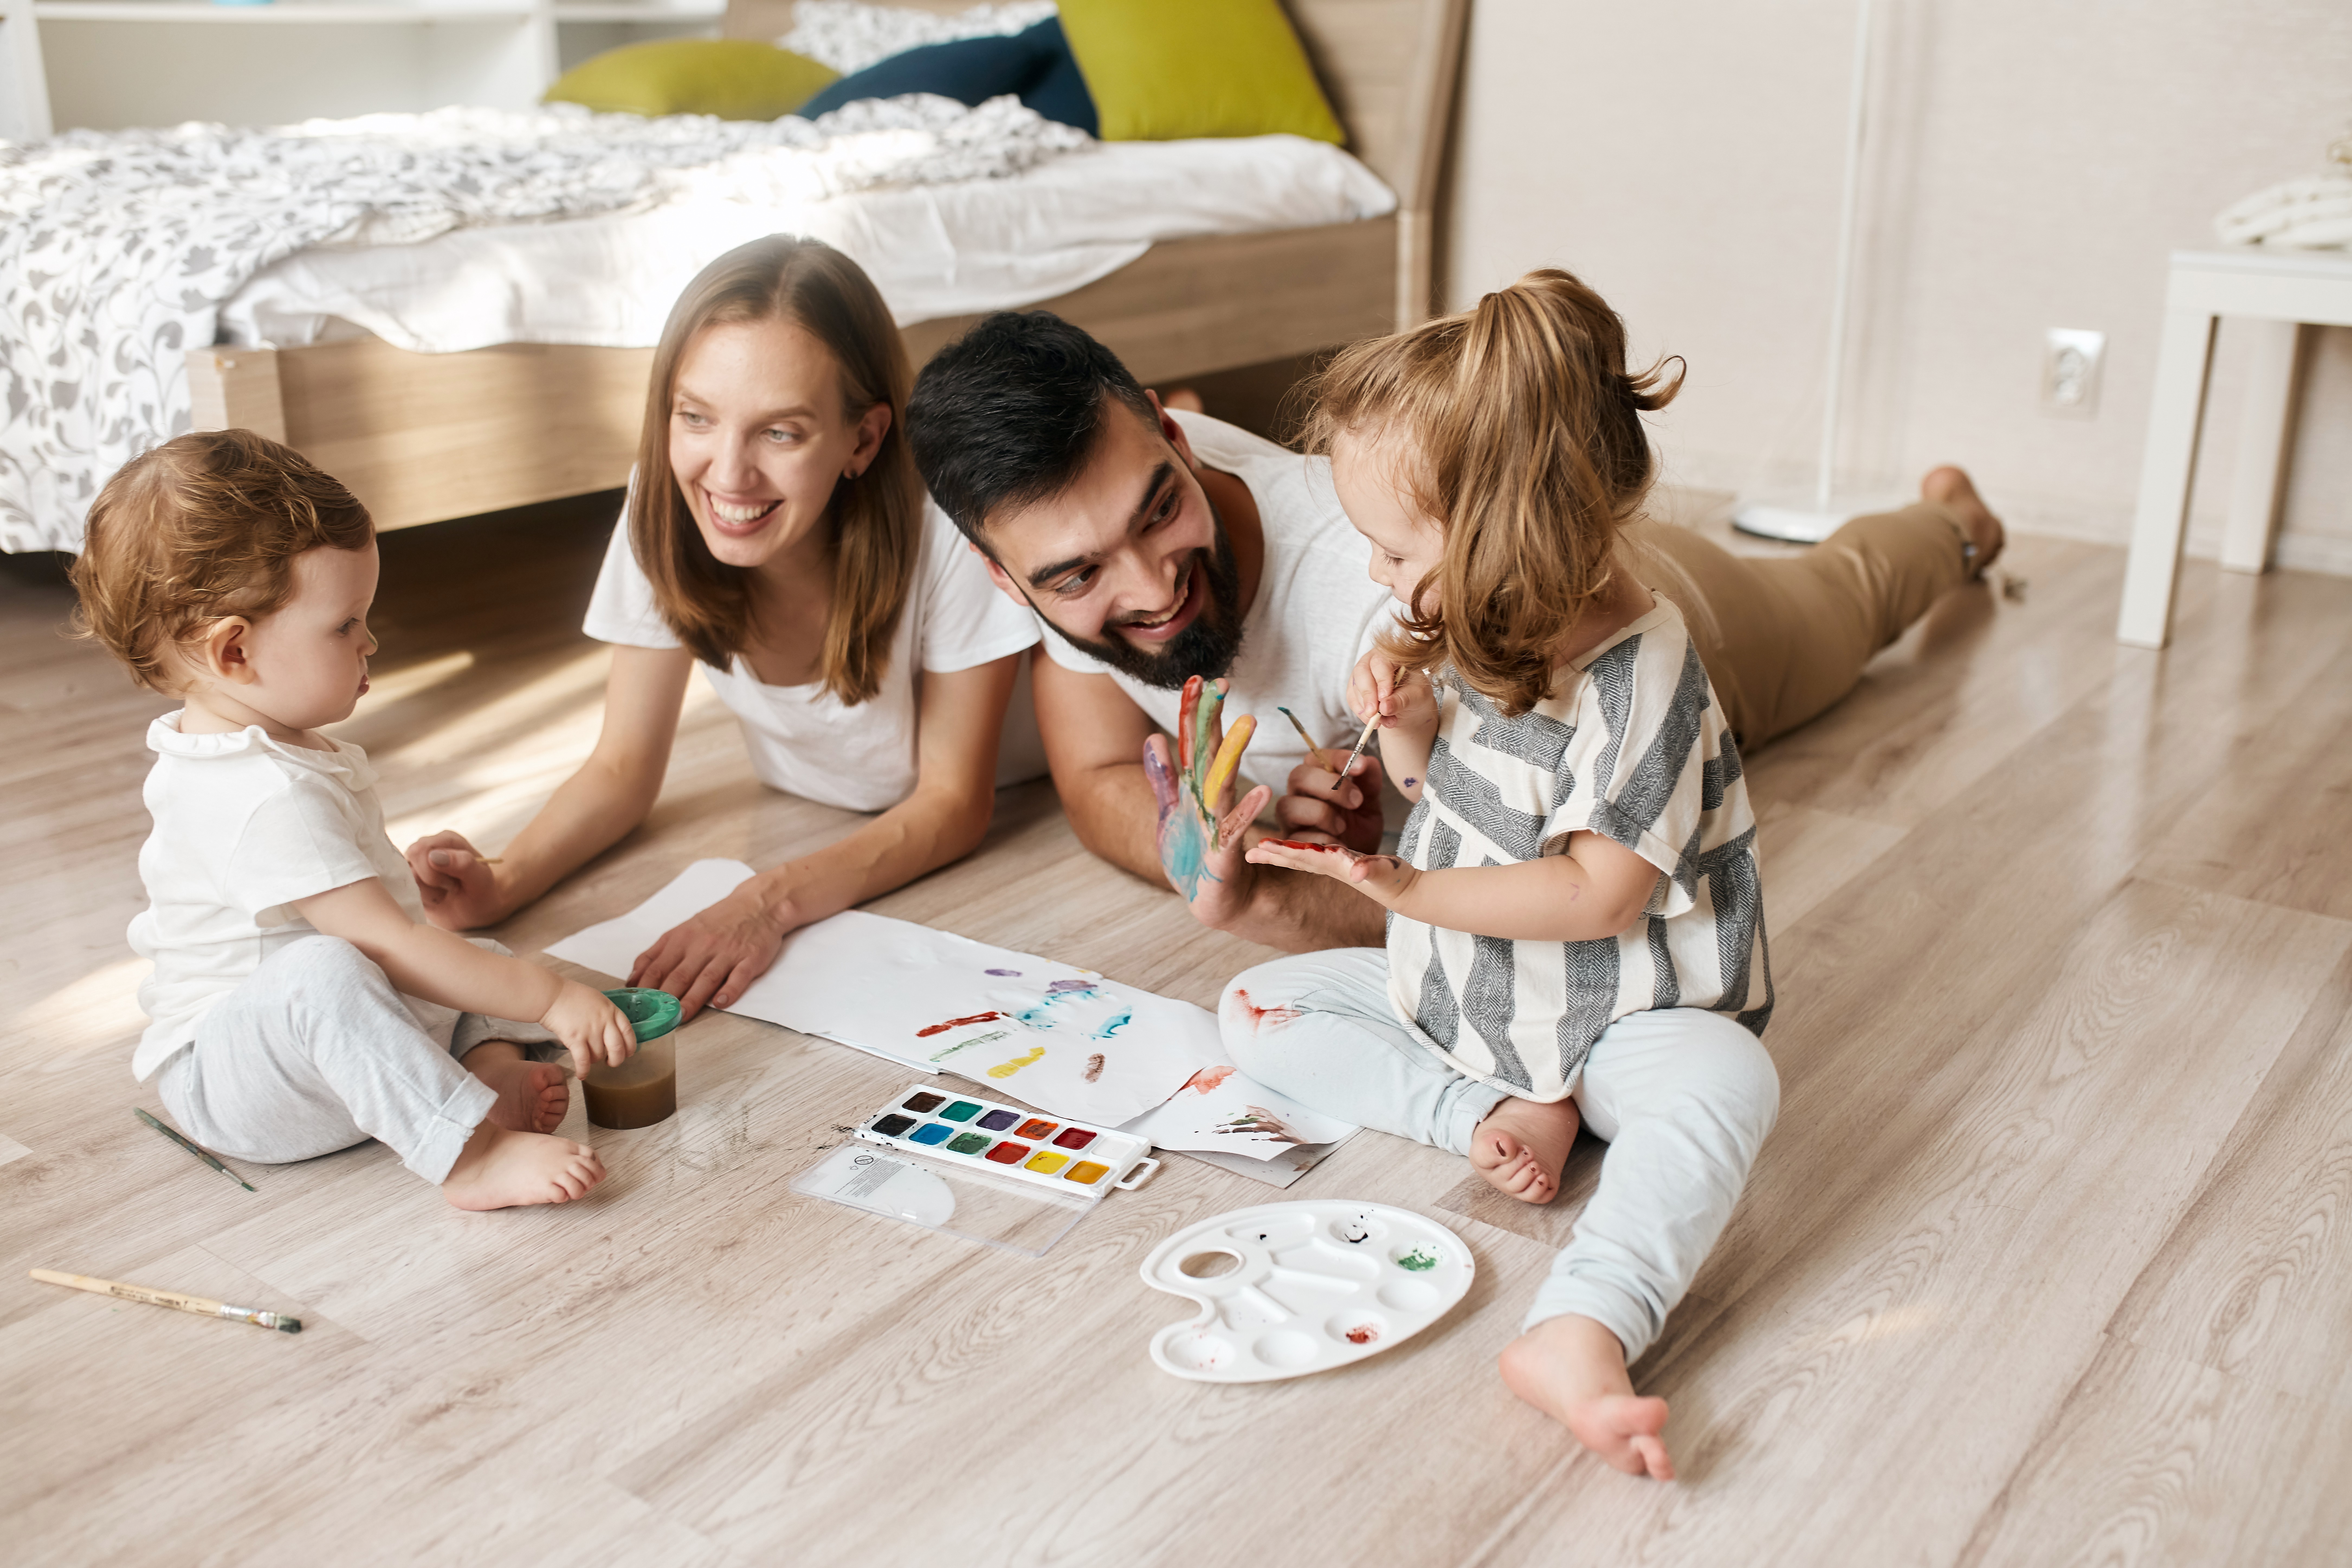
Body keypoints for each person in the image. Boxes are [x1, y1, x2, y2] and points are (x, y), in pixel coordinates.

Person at [905, 309, 2003, 953]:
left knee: (1841, 598)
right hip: (1467, 560)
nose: (1150, 586)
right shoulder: (1067, 500)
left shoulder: (1373, 593)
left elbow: (1538, 892)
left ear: (1169, 428)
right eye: (1081, 574)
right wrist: (1219, 834)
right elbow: (1099, 763)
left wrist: (1272, 885)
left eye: (1159, 509)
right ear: (1007, 584)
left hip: (1638, 612)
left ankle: (1947, 524)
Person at [1226, 270, 1780, 1480]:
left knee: (1728, 1081)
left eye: (1392, 548)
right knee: (1257, 1009)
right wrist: (1417, 725)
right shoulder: (1474, 627)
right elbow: (1452, 808)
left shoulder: (1646, 676)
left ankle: (1583, 1325)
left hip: (1621, 1017)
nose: (1377, 577)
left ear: (1499, 532)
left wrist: (1404, 895)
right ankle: (1493, 1112)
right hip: (1478, 998)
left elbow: (1597, 895)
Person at [406, 237, 1040, 1017]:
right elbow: (622, 766)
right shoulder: (666, 503)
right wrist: (503, 879)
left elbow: (952, 802)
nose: (727, 473)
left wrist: (766, 902)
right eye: (697, 418)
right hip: (823, 804)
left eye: (781, 432)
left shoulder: (945, 527)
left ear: (864, 441)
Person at [73, 431, 629, 1211]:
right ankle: (468, 1154)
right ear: (235, 652)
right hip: (238, 1085)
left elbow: (325, 903)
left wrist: (400, 884)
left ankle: (480, 1071)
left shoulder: (251, 742)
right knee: (354, 973)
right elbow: (374, 947)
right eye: (345, 625)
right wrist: (549, 998)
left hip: (314, 1039)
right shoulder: (263, 791)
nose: (371, 639)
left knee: (461, 952)